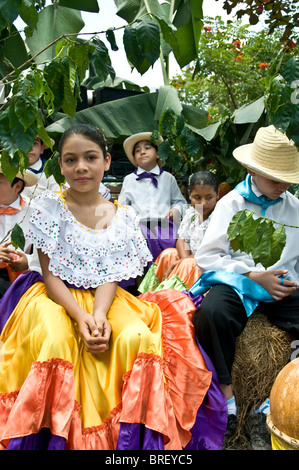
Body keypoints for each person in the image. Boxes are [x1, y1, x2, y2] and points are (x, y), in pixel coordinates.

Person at [0, 124, 227, 451]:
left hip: (105, 295)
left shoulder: (121, 217)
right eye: (70, 159)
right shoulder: (48, 207)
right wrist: (81, 317)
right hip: (54, 295)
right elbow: (50, 276)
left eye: (90, 157)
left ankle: (128, 439)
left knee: (136, 336)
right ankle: (49, 435)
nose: (81, 166)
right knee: (55, 338)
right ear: (61, 165)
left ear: (106, 161)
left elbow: (110, 275)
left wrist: (100, 315)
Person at [191, 125, 299, 450]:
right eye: (274, 179)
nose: (282, 186)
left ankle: (282, 388)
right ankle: (229, 398)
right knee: (211, 314)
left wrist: (288, 282)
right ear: (252, 170)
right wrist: (252, 276)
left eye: (287, 180)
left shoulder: (294, 209)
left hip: (283, 288)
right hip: (240, 284)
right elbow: (209, 257)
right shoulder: (232, 204)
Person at [138, 171, 219, 293]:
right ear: (189, 195)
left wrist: (183, 262)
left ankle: (168, 300)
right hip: (191, 260)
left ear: (218, 195)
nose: (203, 203)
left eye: (209, 197)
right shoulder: (191, 214)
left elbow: (212, 250)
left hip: (209, 264)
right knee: (168, 254)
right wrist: (183, 259)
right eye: (197, 198)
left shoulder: (219, 216)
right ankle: (148, 294)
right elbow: (182, 239)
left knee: (188, 264)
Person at [118, 132, 187, 262]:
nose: (142, 152)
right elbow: (123, 207)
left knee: (170, 248)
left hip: (164, 227)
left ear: (157, 154)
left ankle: (165, 272)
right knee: (135, 243)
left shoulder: (168, 178)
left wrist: (175, 210)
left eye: (147, 148)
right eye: (137, 151)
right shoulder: (129, 180)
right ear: (134, 157)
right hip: (138, 227)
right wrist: (130, 215)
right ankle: (142, 279)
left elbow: (180, 201)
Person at [0, 166, 37, 297]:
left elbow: (47, 252)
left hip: (26, 276)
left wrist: (28, 261)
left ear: (17, 186)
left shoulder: (34, 212)